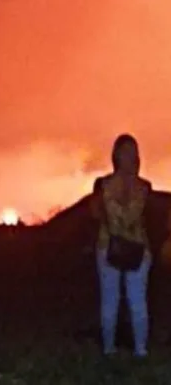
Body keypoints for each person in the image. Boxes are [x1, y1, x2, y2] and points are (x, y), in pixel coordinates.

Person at [91, 134, 152, 358]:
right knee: (133, 299)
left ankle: (111, 350)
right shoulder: (143, 188)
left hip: (110, 245)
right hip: (134, 247)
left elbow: (97, 213)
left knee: (112, 300)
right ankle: (138, 350)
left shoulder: (104, 185)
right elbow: (136, 216)